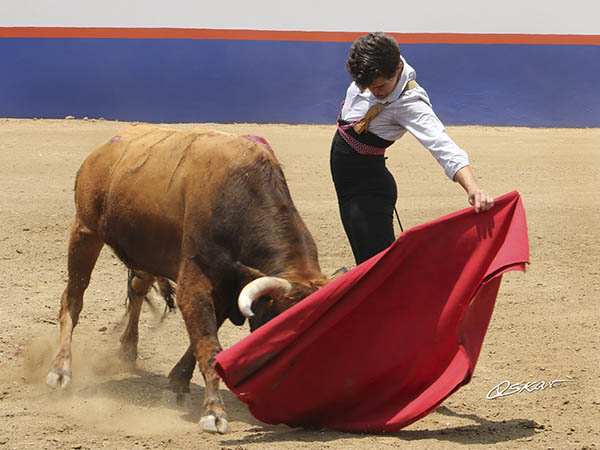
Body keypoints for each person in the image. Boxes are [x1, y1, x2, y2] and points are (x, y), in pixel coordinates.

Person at [330, 32, 494, 265]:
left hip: (367, 190)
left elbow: (442, 146)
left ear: (398, 68)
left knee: (377, 269)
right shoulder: (375, 66)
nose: (375, 91)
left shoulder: (410, 102)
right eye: (367, 86)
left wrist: (473, 188)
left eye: (380, 86)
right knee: (366, 260)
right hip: (348, 186)